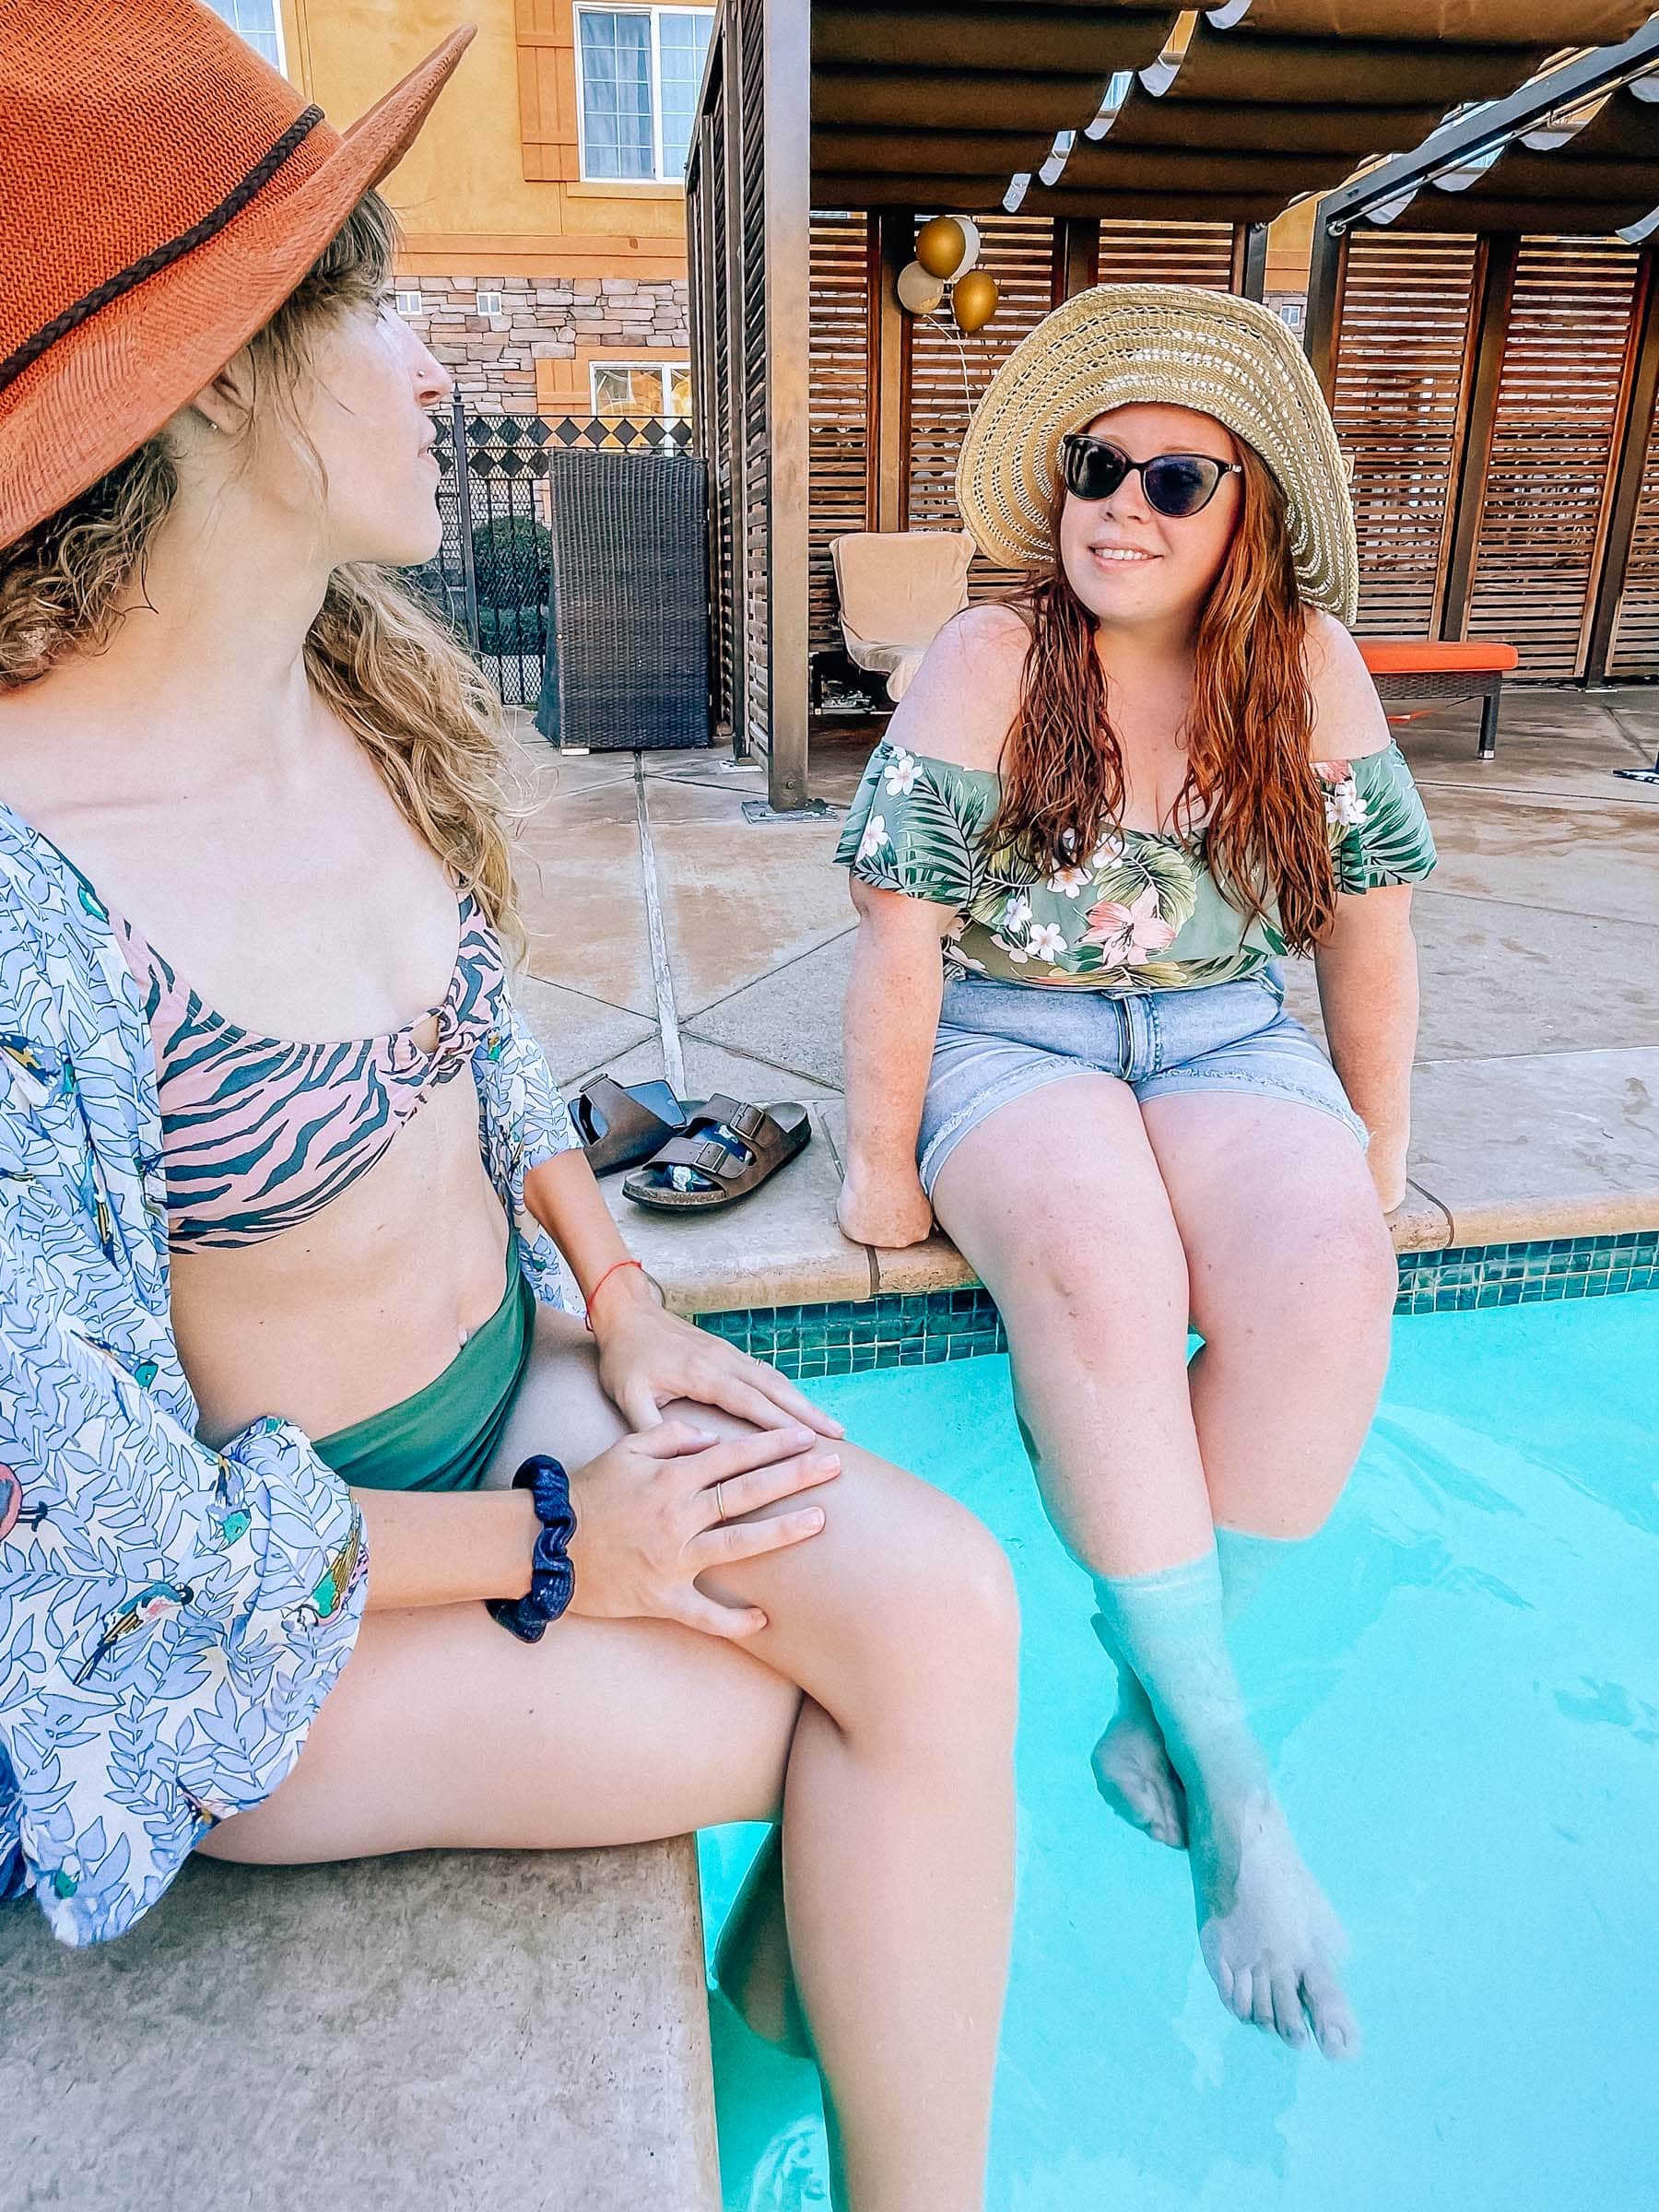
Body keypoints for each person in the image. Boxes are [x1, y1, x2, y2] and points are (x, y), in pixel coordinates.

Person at [0, 15, 1018, 2207]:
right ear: (211, 382)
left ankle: (795, 2118)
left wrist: (614, 1296)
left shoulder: (332, 695)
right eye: (375, 302)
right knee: (851, 1734)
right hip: (290, 1621)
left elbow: (475, 1031)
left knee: (951, 1616)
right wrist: (567, 1546)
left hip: (510, 1398)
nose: (435, 366)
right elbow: (91, 1552)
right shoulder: (27, 893)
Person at [837, 285, 1438, 2062]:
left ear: (1248, 515)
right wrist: (879, 1167)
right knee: (1106, 1276)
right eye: (1101, 468)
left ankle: (1148, 1696)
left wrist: (1380, 1151)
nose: (1123, 507)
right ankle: (1239, 1789)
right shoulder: (993, 657)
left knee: (1330, 1277)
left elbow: (1371, 926)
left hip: (1229, 1030)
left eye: (1179, 481)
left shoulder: (1304, 667)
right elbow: (899, 931)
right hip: (1014, 1032)